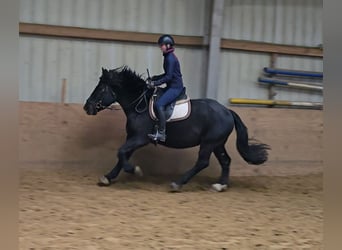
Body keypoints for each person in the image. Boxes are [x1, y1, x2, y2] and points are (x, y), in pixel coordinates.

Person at [147, 34, 184, 142]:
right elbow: (166, 74)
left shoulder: (170, 58)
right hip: (171, 86)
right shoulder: (168, 56)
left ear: (168, 45)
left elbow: (169, 77)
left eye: (162, 45)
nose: (160, 47)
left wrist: (155, 83)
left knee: (159, 104)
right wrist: (155, 78)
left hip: (175, 88)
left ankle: (162, 133)